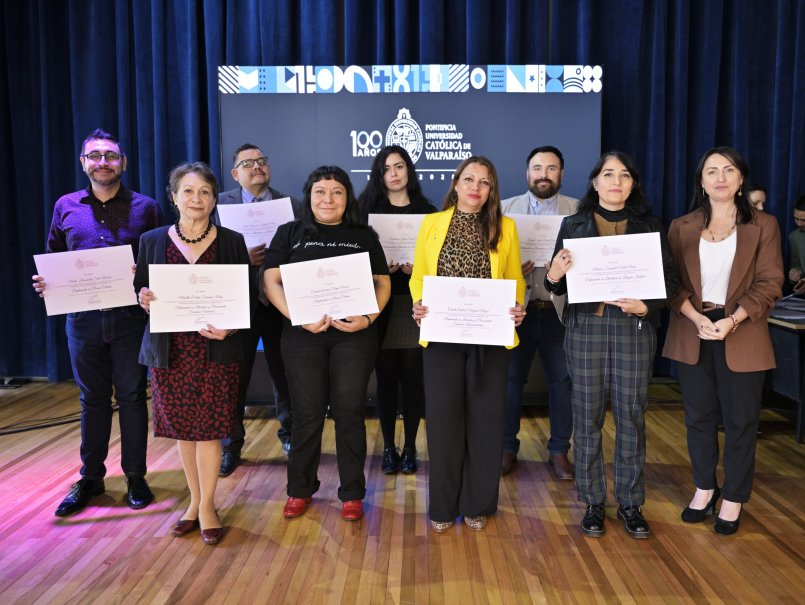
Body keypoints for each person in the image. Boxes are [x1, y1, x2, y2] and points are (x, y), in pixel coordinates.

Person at [544, 151, 677, 539]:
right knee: (586, 417)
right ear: (595, 182)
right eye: (608, 174)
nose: (616, 181)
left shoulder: (649, 226)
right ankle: (593, 502)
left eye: (624, 175)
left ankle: (631, 503)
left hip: (633, 327)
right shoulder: (574, 224)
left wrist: (647, 306)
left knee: (631, 416)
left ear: (632, 184)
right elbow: (555, 286)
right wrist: (555, 273)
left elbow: (669, 282)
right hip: (586, 327)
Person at [32, 129, 163, 517]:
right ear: (83, 162)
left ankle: (136, 476)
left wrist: (147, 274)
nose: (103, 162)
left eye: (110, 155)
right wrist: (46, 282)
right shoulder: (66, 206)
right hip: (83, 320)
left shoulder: (147, 207)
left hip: (130, 320)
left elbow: (162, 258)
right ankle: (90, 478)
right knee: (92, 400)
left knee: (132, 397)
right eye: (95, 156)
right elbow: (55, 256)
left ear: (123, 163)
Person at [663, 147, 783, 535]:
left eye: (728, 170)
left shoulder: (764, 225)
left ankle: (733, 496)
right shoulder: (681, 226)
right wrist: (695, 316)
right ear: (701, 181)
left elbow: (770, 282)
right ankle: (704, 487)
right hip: (692, 327)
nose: (720, 177)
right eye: (711, 171)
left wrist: (733, 319)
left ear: (741, 178)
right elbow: (669, 284)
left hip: (742, 328)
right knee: (698, 417)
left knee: (741, 420)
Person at [264, 166, 391, 522]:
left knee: (349, 413)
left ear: (347, 198)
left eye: (337, 192)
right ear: (310, 196)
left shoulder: (363, 235)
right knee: (306, 414)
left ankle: (352, 493)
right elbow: (270, 280)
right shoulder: (289, 233)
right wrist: (297, 317)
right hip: (303, 337)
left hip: (354, 337)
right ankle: (300, 488)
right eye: (320, 191)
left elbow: (382, 282)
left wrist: (368, 319)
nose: (328, 199)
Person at [410, 156, 526, 533]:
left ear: (492, 190)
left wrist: (517, 307)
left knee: (486, 422)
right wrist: (418, 303)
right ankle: (443, 507)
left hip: (489, 336)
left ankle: (478, 504)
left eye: (485, 182)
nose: (476, 187)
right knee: (443, 422)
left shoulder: (506, 227)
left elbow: (515, 279)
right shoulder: (431, 223)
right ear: (456, 183)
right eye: (469, 179)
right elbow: (418, 276)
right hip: (442, 336)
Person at [135, 162, 250, 545]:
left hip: (216, 349)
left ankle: (208, 506)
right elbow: (142, 291)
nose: (196, 198)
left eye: (204, 191)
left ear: (214, 199)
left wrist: (231, 326)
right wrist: (144, 299)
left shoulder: (232, 241)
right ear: (174, 197)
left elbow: (246, 295)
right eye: (188, 191)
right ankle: (194, 502)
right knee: (184, 430)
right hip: (171, 352)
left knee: (211, 430)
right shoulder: (151, 240)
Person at [216, 143, 303, 476]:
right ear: (235, 174)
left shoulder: (292, 205)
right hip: (238, 303)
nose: (257, 167)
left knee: (286, 375)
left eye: (262, 161)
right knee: (234, 379)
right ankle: (231, 446)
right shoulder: (218, 205)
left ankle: (291, 438)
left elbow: (304, 250)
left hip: (281, 303)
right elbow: (206, 254)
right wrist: (242, 258)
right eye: (248, 163)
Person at [358, 145, 437, 475]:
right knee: (386, 380)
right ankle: (389, 447)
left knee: (414, 380)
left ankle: (410, 448)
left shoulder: (429, 212)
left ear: (409, 171)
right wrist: (379, 269)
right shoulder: (365, 212)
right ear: (379, 174)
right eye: (386, 168)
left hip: (415, 305)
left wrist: (420, 269)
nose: (393, 173)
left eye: (399, 166)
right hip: (380, 305)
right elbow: (353, 261)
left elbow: (439, 260)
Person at [501, 145, 578, 479]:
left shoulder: (578, 210)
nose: (543, 175)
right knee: (509, 381)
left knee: (562, 381)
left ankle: (559, 451)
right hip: (515, 310)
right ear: (527, 173)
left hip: (557, 310)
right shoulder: (504, 210)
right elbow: (490, 260)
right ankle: (505, 448)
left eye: (551, 168)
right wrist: (510, 267)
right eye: (537, 168)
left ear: (561, 173)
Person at [788, 195, 805, 294]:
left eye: (803, 220)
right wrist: (795, 272)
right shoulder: (794, 237)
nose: (798, 224)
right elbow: (796, 264)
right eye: (796, 219)